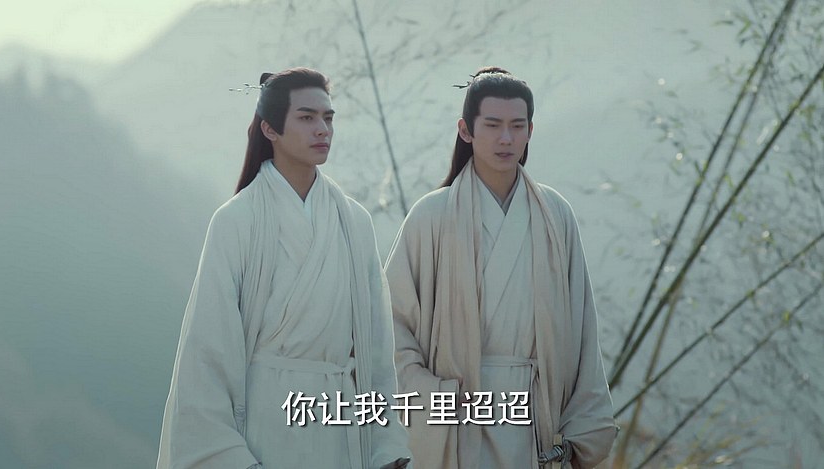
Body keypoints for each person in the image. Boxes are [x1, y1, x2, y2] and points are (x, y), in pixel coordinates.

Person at [157, 67, 411, 469]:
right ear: (270, 129)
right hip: (265, 427)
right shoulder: (236, 221)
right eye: (307, 118)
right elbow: (207, 352)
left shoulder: (354, 222)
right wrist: (232, 458)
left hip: (340, 424)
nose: (322, 129)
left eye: (328, 118)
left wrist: (387, 445)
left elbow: (377, 352)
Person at [384, 67, 617, 469]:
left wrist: (582, 426)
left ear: (530, 131)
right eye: (492, 125)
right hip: (458, 412)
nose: (506, 138)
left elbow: (583, 328)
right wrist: (429, 392)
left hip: (536, 411)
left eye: (517, 126)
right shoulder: (432, 215)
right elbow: (389, 323)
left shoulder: (555, 214)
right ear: (466, 130)